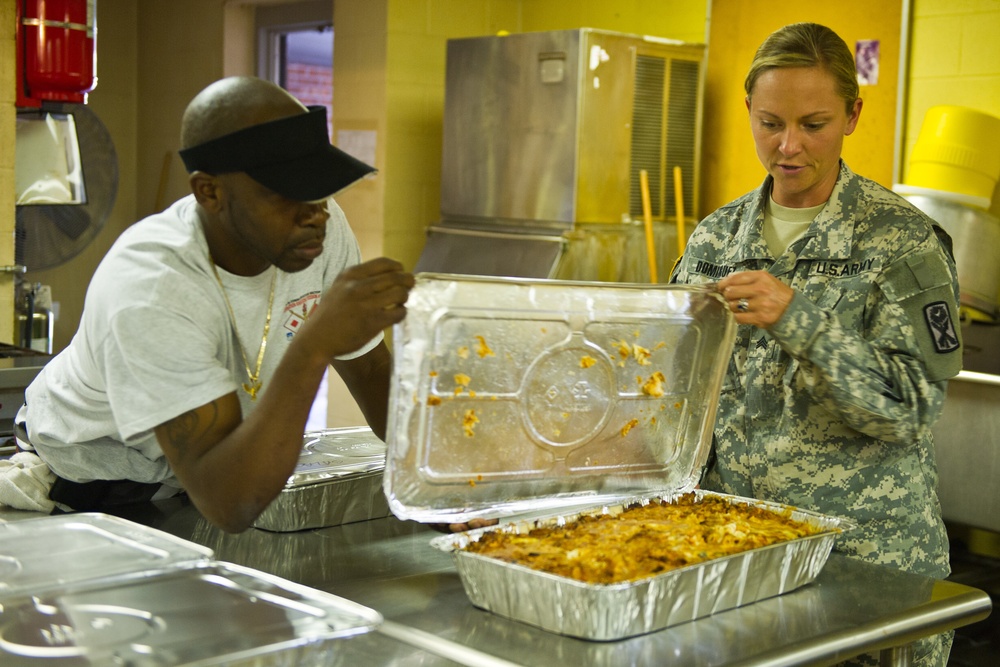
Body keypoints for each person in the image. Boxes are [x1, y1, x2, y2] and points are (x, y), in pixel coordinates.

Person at [670, 23, 961, 666]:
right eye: (771, 123)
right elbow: (679, 391)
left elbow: (910, 409)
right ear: (748, 109)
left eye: (814, 123)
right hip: (742, 561)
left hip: (866, 568)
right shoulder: (716, 239)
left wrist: (799, 321)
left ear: (853, 116)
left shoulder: (901, 244)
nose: (789, 146)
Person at [14, 76, 415, 533]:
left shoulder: (315, 230)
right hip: (90, 479)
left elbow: (367, 368)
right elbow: (231, 505)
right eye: (285, 194)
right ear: (210, 192)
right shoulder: (152, 286)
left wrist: (445, 479)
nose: (315, 215)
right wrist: (316, 342)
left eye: (319, 190)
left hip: (197, 473)